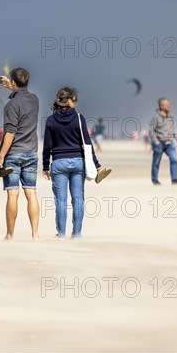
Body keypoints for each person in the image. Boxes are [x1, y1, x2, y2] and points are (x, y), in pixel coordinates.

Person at [42, 87, 111, 240]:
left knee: (60, 201)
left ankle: (60, 234)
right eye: (75, 99)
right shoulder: (79, 118)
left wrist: (45, 166)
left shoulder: (50, 120)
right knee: (78, 199)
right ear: (70, 100)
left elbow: (47, 146)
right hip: (78, 162)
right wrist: (97, 164)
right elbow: (87, 143)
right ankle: (77, 234)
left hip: (59, 163)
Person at [0, 68, 40, 241]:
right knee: (31, 193)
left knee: (13, 194)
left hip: (13, 154)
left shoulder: (11, 105)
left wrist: (0, 157)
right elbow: (22, 96)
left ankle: (10, 235)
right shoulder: (35, 100)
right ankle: (35, 235)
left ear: (12, 82)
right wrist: (13, 88)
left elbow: (10, 133)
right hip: (31, 153)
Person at [149, 98, 177, 185]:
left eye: (169, 104)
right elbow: (151, 131)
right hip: (159, 143)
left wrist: (176, 136)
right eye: (167, 104)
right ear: (161, 106)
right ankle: (155, 179)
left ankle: (174, 179)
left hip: (169, 143)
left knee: (174, 159)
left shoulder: (169, 117)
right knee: (156, 162)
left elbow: (170, 131)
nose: (169, 106)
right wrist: (156, 142)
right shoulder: (156, 117)